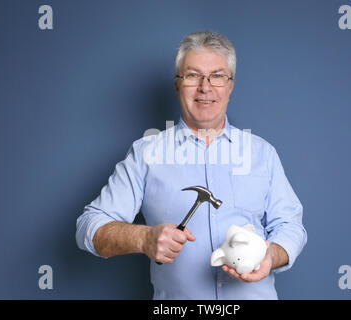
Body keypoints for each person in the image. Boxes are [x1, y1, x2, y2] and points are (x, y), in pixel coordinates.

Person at [76, 30, 307, 300]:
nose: (205, 87)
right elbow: (88, 227)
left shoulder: (262, 153)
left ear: (230, 85)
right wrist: (143, 238)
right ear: (177, 84)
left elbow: (291, 226)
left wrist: (270, 256)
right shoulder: (146, 154)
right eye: (192, 75)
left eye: (217, 76)